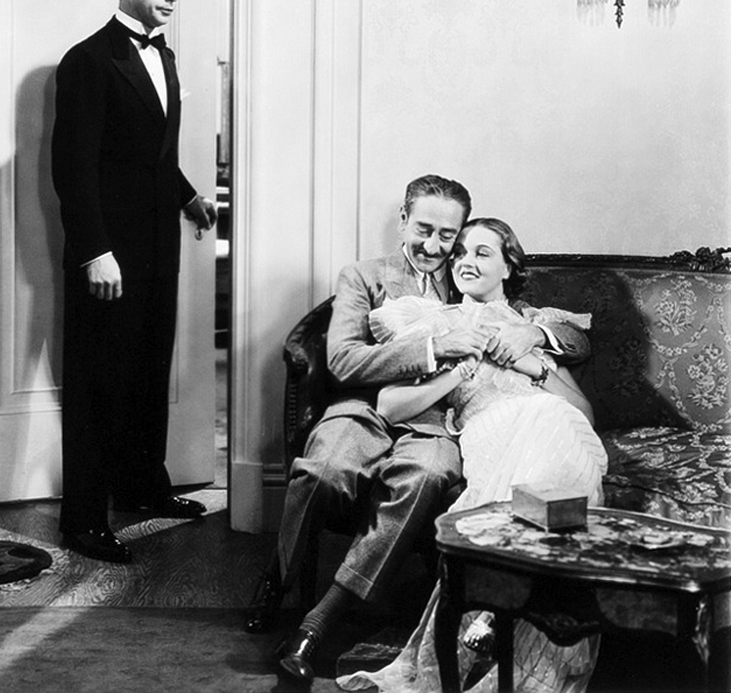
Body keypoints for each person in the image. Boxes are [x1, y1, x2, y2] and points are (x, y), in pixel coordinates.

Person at [244, 175, 590, 685]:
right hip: (365, 407)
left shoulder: (469, 272)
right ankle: (279, 575)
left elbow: (570, 337)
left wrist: (531, 332)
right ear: (403, 220)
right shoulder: (364, 276)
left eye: (447, 236)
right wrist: (435, 349)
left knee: (426, 476)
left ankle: (319, 623)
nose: (434, 246)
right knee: (325, 471)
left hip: (434, 421)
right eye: (424, 229)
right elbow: (344, 360)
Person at [337, 217, 608, 693]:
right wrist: (460, 369)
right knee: (549, 457)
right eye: (460, 252)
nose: (465, 261)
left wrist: (532, 365)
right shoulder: (440, 322)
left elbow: (582, 412)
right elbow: (390, 405)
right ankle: (514, 609)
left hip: (554, 425)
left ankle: (498, 607)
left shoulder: (531, 328)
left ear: (509, 267)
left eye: (482, 253)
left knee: (554, 429)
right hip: (491, 430)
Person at [50, 0, 217, 564]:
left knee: (149, 368)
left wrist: (188, 195)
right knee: (98, 382)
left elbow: (151, 153)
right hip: (109, 252)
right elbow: (73, 168)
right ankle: (83, 521)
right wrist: (94, 250)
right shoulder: (87, 61)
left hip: (157, 245)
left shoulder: (164, 55)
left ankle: (143, 487)